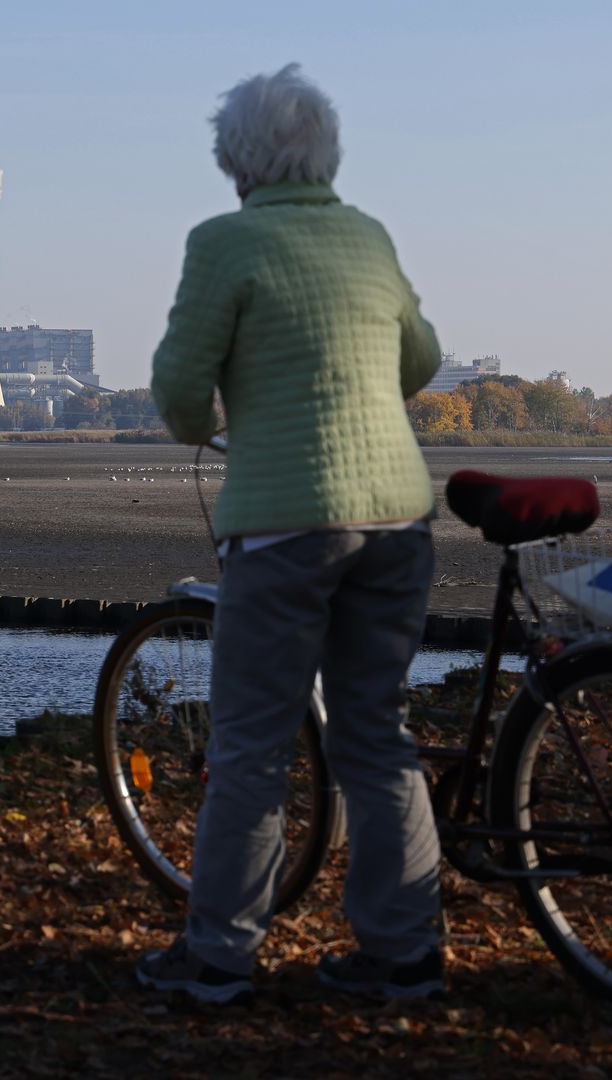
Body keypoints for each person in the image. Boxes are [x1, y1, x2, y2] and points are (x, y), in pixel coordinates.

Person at [137, 63, 446, 1004]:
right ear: (327, 151)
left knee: (251, 745)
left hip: (282, 526)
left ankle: (220, 955)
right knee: (376, 734)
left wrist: (220, 421)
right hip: (396, 515)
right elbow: (422, 357)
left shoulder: (225, 243)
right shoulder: (367, 235)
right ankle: (403, 953)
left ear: (237, 158)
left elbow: (184, 392)